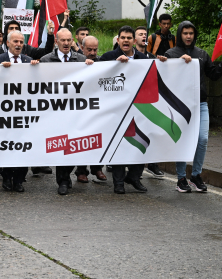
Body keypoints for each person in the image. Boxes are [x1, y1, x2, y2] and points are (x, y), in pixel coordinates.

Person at [165, 20, 222, 193]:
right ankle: (181, 178)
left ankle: (195, 175)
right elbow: (164, 77)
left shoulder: (202, 54)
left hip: (200, 104)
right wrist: (178, 63)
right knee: (182, 140)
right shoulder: (171, 53)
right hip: (180, 104)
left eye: (191, 33)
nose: (188, 36)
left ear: (194, 35)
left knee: (202, 139)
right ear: (180, 34)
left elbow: (213, 75)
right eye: (185, 33)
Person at [99, 26, 156, 194]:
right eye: (122, 37)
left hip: (139, 108)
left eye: (129, 38)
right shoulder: (108, 57)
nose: (125, 40)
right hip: (116, 109)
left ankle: (134, 176)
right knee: (119, 145)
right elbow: (98, 78)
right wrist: (113, 66)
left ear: (135, 40)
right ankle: (118, 182)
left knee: (142, 142)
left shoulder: (143, 58)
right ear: (118, 40)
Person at [40, 28, 94, 195]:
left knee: (74, 146)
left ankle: (66, 175)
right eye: (62, 40)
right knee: (61, 146)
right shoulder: (46, 60)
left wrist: (91, 68)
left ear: (72, 42)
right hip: (55, 112)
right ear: (56, 41)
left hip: (76, 112)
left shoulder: (82, 59)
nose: (65, 43)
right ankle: (63, 181)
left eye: (68, 40)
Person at [0, 30, 39, 192]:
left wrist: (36, 69)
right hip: (4, 113)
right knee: (7, 145)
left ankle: (19, 180)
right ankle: (6, 177)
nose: (19, 44)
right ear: (8, 43)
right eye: (15, 42)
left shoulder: (29, 60)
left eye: (21, 42)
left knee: (23, 146)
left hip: (24, 112)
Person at [132, 26, 168, 180]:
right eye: (140, 34)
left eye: (145, 34)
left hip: (147, 101)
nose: (143, 37)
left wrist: (164, 63)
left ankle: (152, 165)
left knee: (151, 132)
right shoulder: (128, 55)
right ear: (135, 39)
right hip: (130, 101)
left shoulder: (153, 57)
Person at [72, 35, 107, 183]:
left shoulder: (102, 62)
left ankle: (97, 168)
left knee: (99, 138)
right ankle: (81, 170)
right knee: (82, 140)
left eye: (95, 49)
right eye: (89, 49)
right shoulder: (75, 62)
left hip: (98, 107)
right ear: (82, 47)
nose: (93, 53)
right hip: (80, 108)